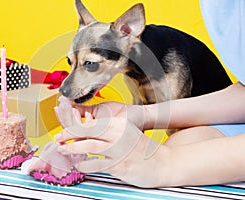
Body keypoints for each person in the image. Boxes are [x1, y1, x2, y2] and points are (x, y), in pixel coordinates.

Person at [54, 0, 245, 188]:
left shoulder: (171, 63)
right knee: (177, 144)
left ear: (129, 32)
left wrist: (166, 164)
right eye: (71, 63)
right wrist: (141, 116)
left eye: (91, 64)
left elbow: (175, 130)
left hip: (216, 119)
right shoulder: (130, 69)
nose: (67, 87)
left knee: (176, 144)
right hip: (231, 107)